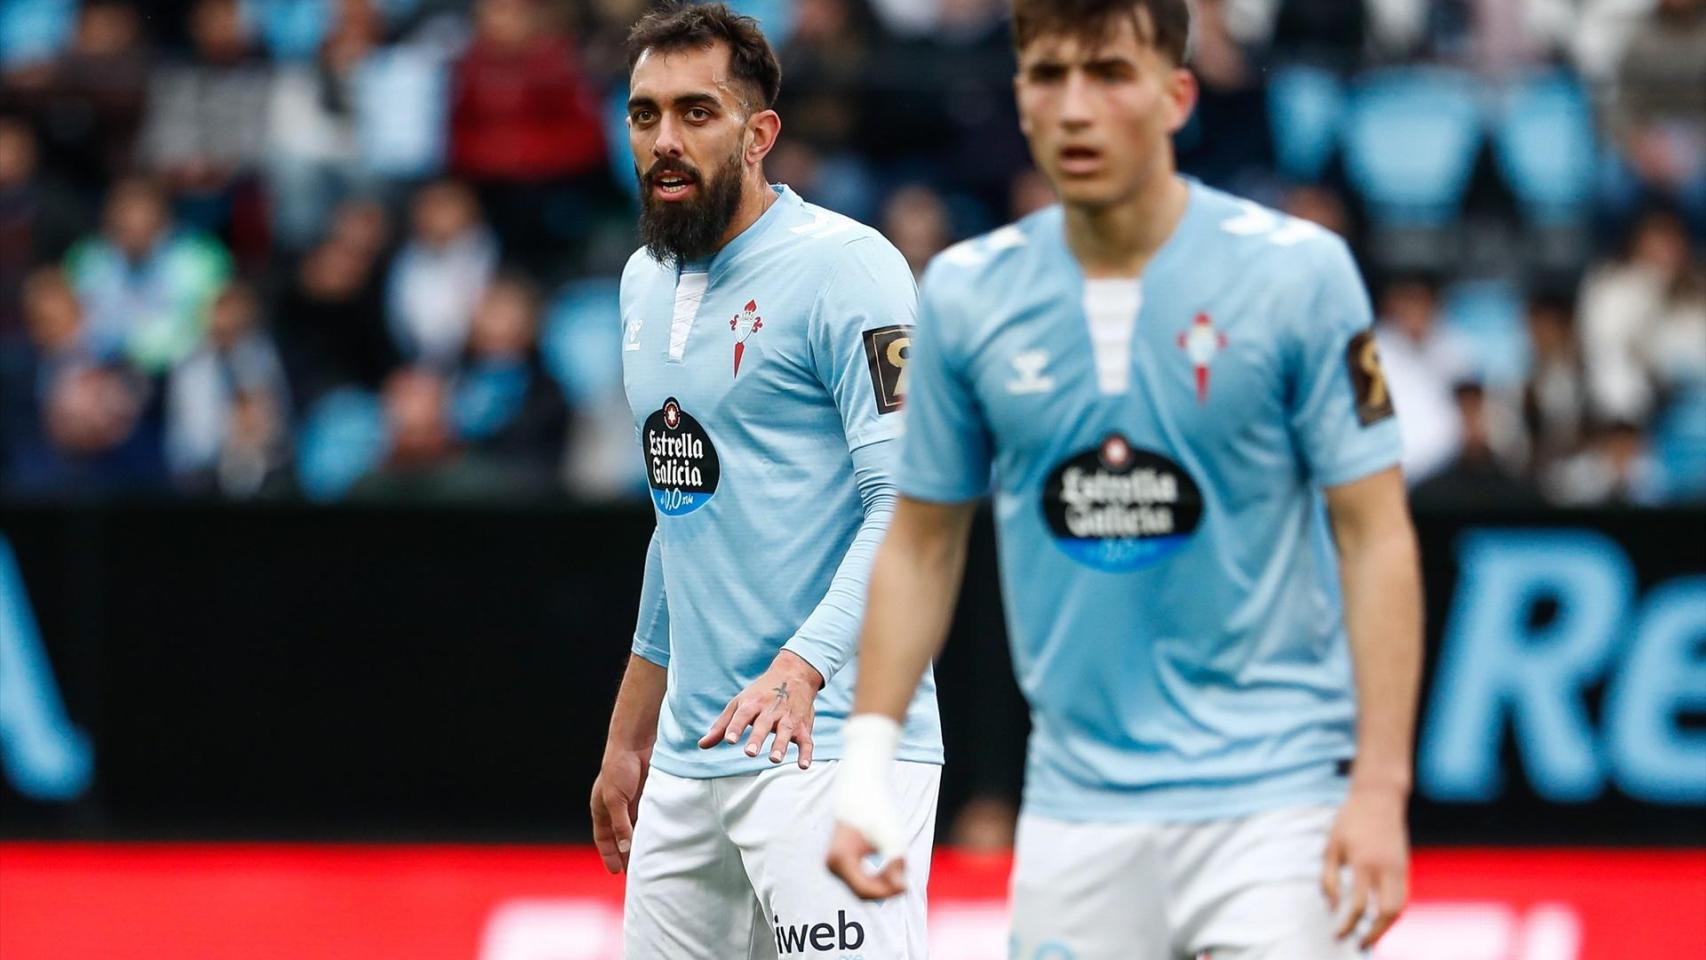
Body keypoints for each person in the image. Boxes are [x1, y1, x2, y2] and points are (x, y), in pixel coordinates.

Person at [825, 2, 1424, 959]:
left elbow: (1376, 533)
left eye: (1107, 73)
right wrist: (864, 766)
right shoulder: (968, 294)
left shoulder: (1299, 276)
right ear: (1017, 96)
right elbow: (924, 542)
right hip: (1073, 814)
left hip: (1270, 807)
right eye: (1048, 76)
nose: (1074, 107)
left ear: (1176, 94)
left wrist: (1381, 789)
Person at [588, 6, 942, 959]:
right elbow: (682, 510)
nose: (664, 139)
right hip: (695, 757)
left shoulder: (847, 268)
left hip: (830, 742)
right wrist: (632, 732)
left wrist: (803, 667)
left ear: (758, 134)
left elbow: (907, 505)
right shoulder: (640, 283)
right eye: (644, 113)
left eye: (696, 112)